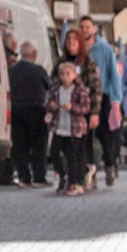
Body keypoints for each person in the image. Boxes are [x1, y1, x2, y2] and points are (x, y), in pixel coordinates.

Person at [74, 15, 122, 184]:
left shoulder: (105, 49)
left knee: (105, 135)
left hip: (104, 97)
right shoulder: (77, 48)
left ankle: (110, 165)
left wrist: (116, 100)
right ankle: (90, 172)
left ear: (93, 29)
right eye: (82, 27)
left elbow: (114, 75)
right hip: (83, 97)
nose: (84, 30)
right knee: (84, 136)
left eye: (87, 27)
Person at [47, 59, 95, 195]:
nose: (64, 77)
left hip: (74, 129)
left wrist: (73, 107)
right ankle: (64, 176)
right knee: (54, 153)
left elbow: (86, 107)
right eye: (62, 74)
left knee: (72, 156)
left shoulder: (80, 90)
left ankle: (73, 183)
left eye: (68, 74)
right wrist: (52, 106)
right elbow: (48, 102)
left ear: (74, 75)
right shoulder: (56, 89)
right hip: (59, 127)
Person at [9, 40, 52, 186]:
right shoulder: (39, 70)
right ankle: (39, 177)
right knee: (39, 145)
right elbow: (49, 87)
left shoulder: (12, 71)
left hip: (16, 110)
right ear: (34, 54)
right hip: (36, 110)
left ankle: (24, 177)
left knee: (20, 145)